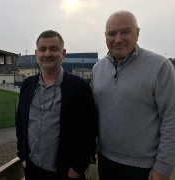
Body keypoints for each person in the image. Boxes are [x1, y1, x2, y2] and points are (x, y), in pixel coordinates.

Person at [91, 10, 175, 180]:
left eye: (125, 32)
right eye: (112, 33)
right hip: (106, 161)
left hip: (144, 167)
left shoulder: (159, 66)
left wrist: (163, 166)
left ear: (137, 33)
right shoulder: (98, 69)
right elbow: (95, 114)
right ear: (105, 36)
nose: (118, 39)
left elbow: (171, 117)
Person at [16, 30, 98, 180]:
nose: (47, 54)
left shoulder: (79, 87)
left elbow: (89, 130)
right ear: (36, 54)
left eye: (53, 49)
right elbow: (20, 123)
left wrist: (78, 167)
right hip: (32, 169)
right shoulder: (27, 85)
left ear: (63, 53)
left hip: (65, 173)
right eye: (42, 49)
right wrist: (22, 156)